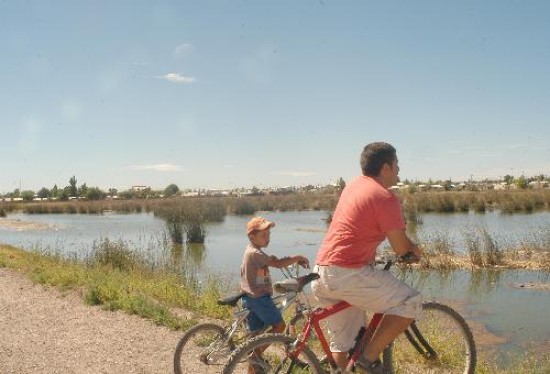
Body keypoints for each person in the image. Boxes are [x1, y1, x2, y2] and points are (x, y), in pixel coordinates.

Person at [311, 142, 422, 374]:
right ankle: (369, 358)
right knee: (410, 300)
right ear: (385, 167)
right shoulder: (385, 197)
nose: (399, 170)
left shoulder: (353, 186)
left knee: (345, 343)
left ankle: (351, 365)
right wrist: (415, 250)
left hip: (323, 272)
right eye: (397, 165)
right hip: (348, 275)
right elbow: (402, 248)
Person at [240, 216, 310, 373]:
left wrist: (271, 260)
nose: (267, 238)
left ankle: (253, 365)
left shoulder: (253, 251)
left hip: (250, 298)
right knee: (279, 327)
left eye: (269, 234)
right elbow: (278, 264)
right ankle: (254, 355)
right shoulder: (255, 253)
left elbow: (268, 263)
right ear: (252, 236)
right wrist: (297, 257)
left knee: (256, 338)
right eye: (263, 235)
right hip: (259, 299)